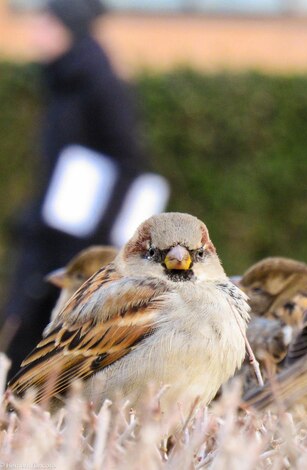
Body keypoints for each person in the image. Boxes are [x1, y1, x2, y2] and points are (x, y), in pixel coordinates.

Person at [0, 0, 147, 378]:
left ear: (66, 27)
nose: (35, 32)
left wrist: (96, 237)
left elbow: (128, 161)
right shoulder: (65, 79)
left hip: (73, 239)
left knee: (36, 331)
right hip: (49, 229)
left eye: (44, 23)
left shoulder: (96, 82)